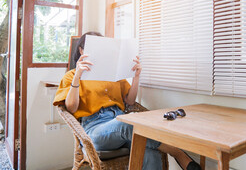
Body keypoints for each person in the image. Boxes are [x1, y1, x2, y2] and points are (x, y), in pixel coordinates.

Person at [53, 31, 201, 170]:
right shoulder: (71, 75)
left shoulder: (112, 74)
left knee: (149, 150)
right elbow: (71, 108)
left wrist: (136, 77)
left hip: (120, 122)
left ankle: (173, 152)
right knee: (130, 123)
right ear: (81, 51)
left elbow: (130, 101)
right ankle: (176, 152)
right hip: (95, 130)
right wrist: (78, 75)